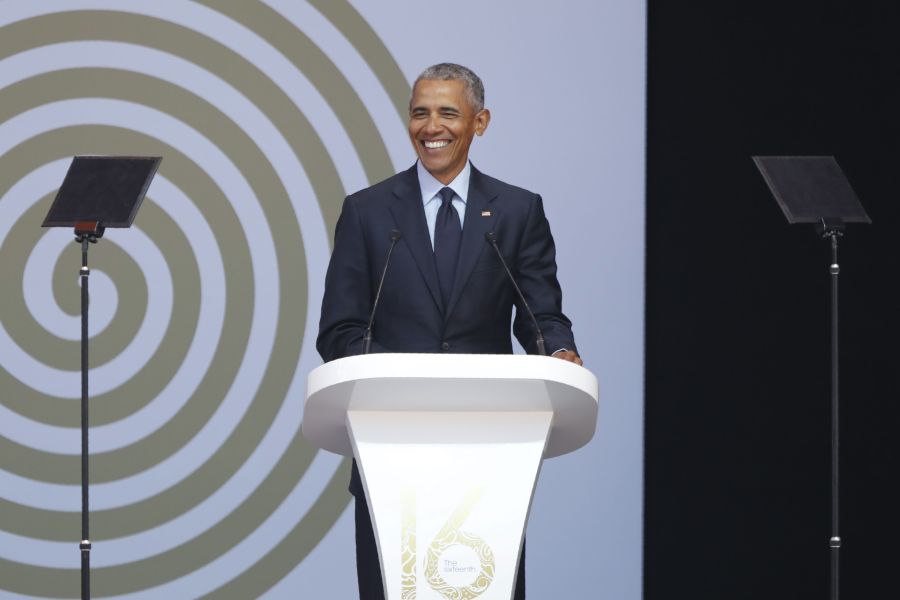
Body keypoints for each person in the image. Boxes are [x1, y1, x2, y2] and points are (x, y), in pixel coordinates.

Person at [317, 62, 580, 600]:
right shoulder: (367, 213)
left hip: (489, 456)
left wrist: (559, 349)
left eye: (447, 113)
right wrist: (400, 375)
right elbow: (339, 329)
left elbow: (541, 314)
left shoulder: (516, 211)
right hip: (389, 451)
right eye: (419, 112)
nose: (430, 126)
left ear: (479, 122)